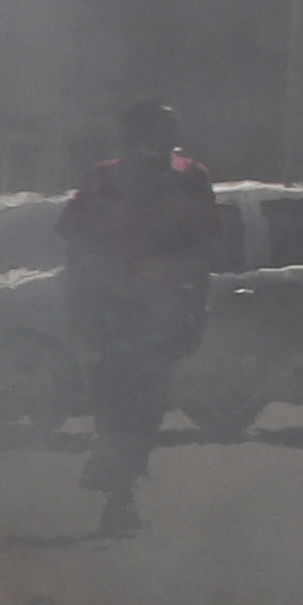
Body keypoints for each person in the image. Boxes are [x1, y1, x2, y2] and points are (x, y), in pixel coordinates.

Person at [54, 98, 222, 541]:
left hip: (164, 312)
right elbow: (74, 238)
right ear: (133, 133)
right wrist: (81, 306)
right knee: (114, 398)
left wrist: (195, 305)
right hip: (111, 311)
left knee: (147, 402)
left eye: (173, 126)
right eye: (157, 127)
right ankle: (115, 474)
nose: (167, 135)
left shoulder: (190, 177)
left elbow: (204, 246)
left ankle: (120, 484)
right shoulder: (105, 177)